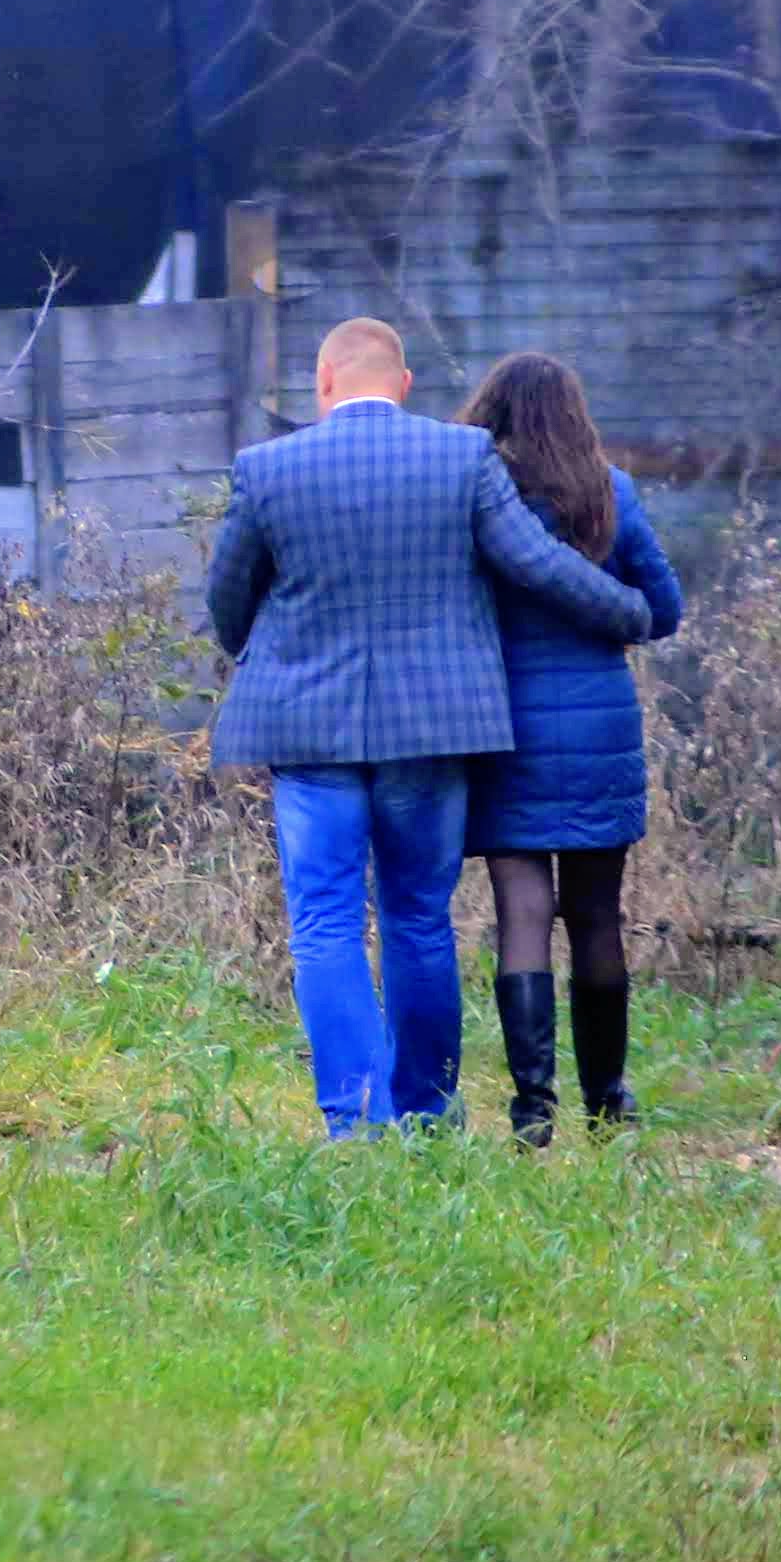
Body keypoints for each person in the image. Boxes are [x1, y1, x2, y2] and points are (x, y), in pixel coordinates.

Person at [206, 317, 660, 1136]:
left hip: (308, 731)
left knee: (325, 921)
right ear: (405, 382)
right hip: (433, 728)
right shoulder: (462, 457)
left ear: (323, 381)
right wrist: (630, 610)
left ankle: (357, 1118)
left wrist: (265, 651)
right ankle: (428, 1109)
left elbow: (227, 601)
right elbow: (538, 563)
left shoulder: (266, 468)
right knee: (418, 916)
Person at [452, 352, 683, 1142]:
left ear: (493, 414)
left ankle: (532, 1107)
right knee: (595, 914)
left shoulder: (478, 502)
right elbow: (666, 608)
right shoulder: (608, 494)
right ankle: (607, 1100)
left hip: (505, 728)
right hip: (598, 731)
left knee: (521, 910)